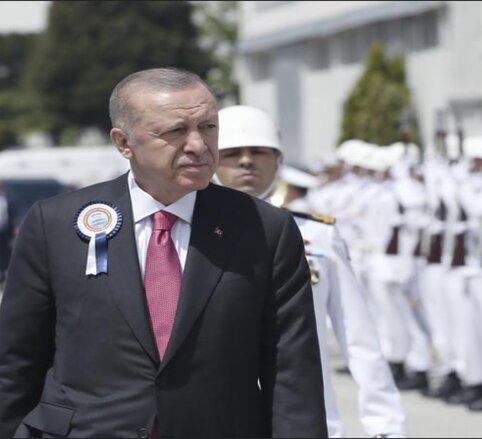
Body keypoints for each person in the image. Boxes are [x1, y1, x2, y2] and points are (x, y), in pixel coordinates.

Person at [0, 68, 327, 438]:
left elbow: (292, 371)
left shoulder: (265, 229)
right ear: (124, 143)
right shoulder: (55, 224)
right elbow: (16, 362)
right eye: (175, 132)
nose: (199, 146)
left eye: (208, 127)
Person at [215, 105, 408, 438]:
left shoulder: (317, 235)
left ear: (279, 161)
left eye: (259, 151)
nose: (246, 161)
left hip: (309, 419)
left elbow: (358, 335)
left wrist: (385, 424)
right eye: (232, 153)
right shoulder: (190, 236)